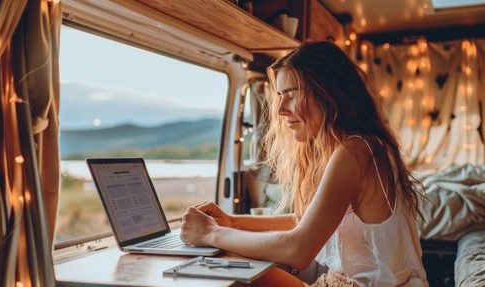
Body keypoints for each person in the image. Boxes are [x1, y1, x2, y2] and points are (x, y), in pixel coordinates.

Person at [180, 41, 429, 287]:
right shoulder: (363, 145)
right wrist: (232, 222)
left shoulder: (356, 150)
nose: (280, 109)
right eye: (279, 96)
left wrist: (211, 234)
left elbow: (299, 249)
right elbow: (306, 221)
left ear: (328, 92)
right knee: (238, 269)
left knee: (237, 274)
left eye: (291, 94)